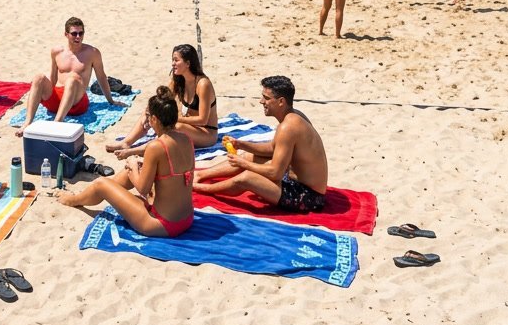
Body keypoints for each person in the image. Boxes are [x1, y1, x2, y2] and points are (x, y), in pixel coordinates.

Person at [57, 87, 195, 237]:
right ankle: (99, 193)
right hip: (186, 220)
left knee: (102, 183)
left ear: (154, 119)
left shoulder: (156, 146)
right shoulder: (186, 139)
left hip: (162, 224)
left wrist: (133, 166)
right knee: (126, 175)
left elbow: (142, 189)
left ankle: (73, 200)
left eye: (149, 117)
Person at [193, 75, 329, 213]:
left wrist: (243, 164)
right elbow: (272, 148)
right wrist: (241, 144)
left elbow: (275, 173)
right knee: (248, 156)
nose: (261, 101)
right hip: (294, 181)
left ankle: (201, 188)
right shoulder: (294, 116)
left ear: (281, 101)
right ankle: (199, 175)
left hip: (310, 197)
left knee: (247, 177)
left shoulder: (288, 127)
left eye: (267, 98)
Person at [106, 44, 217, 157]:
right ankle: (126, 142)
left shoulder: (203, 84)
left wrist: (175, 119)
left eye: (176, 60)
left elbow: (203, 120)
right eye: (172, 60)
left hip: (206, 133)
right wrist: (148, 113)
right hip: (187, 125)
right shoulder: (179, 79)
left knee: (175, 126)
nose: (172, 64)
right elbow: (160, 98)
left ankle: (135, 151)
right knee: (151, 111)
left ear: (188, 63)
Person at [15, 17, 122, 135]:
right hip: (56, 101)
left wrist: (111, 100)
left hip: (77, 103)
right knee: (38, 77)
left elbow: (101, 77)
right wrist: (40, 89)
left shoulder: (92, 53)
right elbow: (53, 77)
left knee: (72, 79)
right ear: (66, 34)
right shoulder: (57, 51)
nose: (78, 37)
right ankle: (27, 122)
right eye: (74, 33)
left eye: (81, 33)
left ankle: (57, 123)